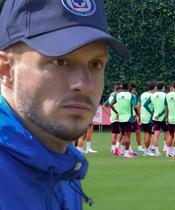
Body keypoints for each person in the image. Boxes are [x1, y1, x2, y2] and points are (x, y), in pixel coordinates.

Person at [0, 0, 129, 209]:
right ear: (6, 70)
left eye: (95, 64)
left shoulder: (62, 166)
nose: (85, 84)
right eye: (60, 61)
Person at [110, 82, 138, 158]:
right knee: (127, 136)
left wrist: (116, 112)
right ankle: (126, 153)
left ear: (122, 87)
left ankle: (121, 151)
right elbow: (135, 107)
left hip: (120, 118)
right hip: (129, 117)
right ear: (129, 87)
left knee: (122, 134)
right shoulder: (131, 96)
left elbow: (111, 104)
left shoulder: (117, 95)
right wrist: (137, 114)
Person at [144, 81, 169, 157]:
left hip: (155, 118)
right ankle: (168, 151)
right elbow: (166, 107)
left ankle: (157, 152)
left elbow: (145, 105)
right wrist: (161, 114)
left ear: (156, 87)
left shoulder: (152, 95)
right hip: (164, 117)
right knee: (167, 134)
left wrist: (152, 113)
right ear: (163, 87)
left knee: (156, 135)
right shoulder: (166, 95)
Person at [103, 82, 122, 154]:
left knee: (115, 133)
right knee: (118, 133)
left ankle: (113, 148)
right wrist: (110, 114)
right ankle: (116, 147)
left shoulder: (111, 97)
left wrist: (110, 114)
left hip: (114, 118)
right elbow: (104, 107)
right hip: (119, 117)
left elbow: (104, 106)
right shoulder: (119, 97)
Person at [139, 81, 157, 157]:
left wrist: (139, 115)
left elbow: (139, 105)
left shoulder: (142, 94)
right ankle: (147, 151)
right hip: (149, 117)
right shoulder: (153, 96)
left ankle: (147, 149)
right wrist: (152, 113)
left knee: (146, 133)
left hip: (143, 116)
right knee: (148, 134)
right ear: (154, 88)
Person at [130, 83, 145, 152]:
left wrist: (138, 115)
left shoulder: (135, 96)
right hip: (128, 117)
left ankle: (139, 147)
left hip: (134, 116)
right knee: (127, 133)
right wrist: (139, 105)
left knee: (138, 131)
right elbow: (135, 106)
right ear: (131, 89)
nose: (135, 90)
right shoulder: (129, 96)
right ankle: (128, 147)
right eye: (134, 89)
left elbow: (136, 107)